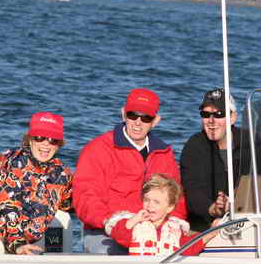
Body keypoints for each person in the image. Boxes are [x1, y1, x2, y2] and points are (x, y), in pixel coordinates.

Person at [73, 88, 187, 254]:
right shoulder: (97, 149)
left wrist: (175, 223)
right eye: (132, 115)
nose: (138, 122)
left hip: (153, 230)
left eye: (146, 118)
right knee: (113, 255)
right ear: (123, 114)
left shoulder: (164, 153)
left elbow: (176, 198)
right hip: (105, 232)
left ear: (155, 121)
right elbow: (85, 196)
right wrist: (112, 222)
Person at [0, 112, 73, 255]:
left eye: (53, 140)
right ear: (30, 139)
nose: (46, 143)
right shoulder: (11, 162)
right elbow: (6, 206)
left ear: (59, 145)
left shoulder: (60, 173)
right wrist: (17, 244)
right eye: (39, 138)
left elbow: (71, 202)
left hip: (25, 239)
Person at [180, 88, 246, 232]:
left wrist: (236, 200)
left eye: (219, 114)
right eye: (205, 114)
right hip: (205, 225)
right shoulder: (194, 146)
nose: (211, 121)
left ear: (233, 117)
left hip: (247, 218)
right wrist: (213, 209)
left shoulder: (251, 143)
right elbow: (193, 191)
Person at [108, 174, 219, 256]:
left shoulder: (175, 228)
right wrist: (134, 220)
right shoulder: (137, 225)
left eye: (156, 202)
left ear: (169, 207)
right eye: (146, 200)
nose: (150, 205)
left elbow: (187, 248)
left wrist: (209, 234)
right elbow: (119, 236)